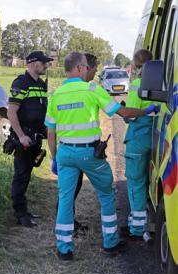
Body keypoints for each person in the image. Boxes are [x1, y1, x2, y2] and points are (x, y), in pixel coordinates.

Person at [45, 52, 160, 260]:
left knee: (65, 198)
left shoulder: (56, 94)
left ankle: (64, 248)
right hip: (90, 153)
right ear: (80, 68)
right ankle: (110, 243)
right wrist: (148, 111)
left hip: (65, 153)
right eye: (86, 66)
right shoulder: (91, 89)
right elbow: (122, 113)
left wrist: (54, 158)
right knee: (106, 195)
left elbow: (51, 132)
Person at [55, 53, 100, 236]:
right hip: (81, 152)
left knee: (69, 190)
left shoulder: (61, 92)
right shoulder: (89, 89)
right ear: (84, 67)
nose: (94, 73)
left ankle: (67, 226)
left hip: (67, 151)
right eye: (93, 69)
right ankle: (67, 223)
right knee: (70, 192)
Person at [8, 51, 53, 227]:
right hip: (24, 140)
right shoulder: (21, 83)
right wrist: (21, 136)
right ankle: (20, 214)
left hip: (36, 139)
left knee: (26, 176)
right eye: (44, 63)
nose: (46, 66)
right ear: (34, 63)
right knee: (21, 176)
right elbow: (11, 112)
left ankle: (24, 211)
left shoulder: (41, 84)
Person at [123, 49, 159, 239]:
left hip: (137, 140)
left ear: (136, 65)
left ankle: (136, 228)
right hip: (155, 138)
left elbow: (129, 115)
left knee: (136, 183)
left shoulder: (137, 85)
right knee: (148, 179)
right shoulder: (162, 83)